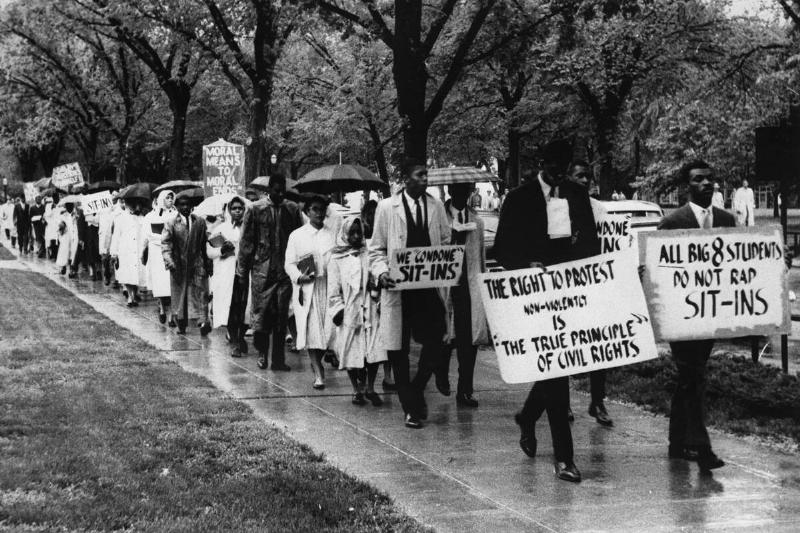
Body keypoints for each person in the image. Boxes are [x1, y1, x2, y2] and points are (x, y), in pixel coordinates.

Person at [493, 139, 600, 483]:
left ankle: (527, 416)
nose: (559, 175)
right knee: (556, 371)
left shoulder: (575, 195)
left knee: (559, 368)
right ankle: (564, 458)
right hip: (534, 295)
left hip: (569, 292)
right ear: (542, 162)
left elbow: (591, 244)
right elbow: (501, 251)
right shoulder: (519, 198)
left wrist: (581, 267)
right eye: (553, 168)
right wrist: (526, 264)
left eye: (564, 169)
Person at [659, 160, 734, 472]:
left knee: (689, 378)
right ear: (686, 186)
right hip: (681, 317)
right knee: (694, 376)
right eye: (698, 179)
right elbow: (659, 270)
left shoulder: (728, 220)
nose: (706, 184)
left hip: (711, 315)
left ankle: (676, 443)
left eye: (709, 179)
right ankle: (701, 448)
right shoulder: (673, 221)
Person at [369, 158, 451, 429]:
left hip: (427, 286)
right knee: (398, 348)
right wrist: (381, 273)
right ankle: (410, 406)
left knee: (438, 338)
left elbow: (446, 241)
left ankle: (417, 388)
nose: (425, 179)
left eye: (426, 175)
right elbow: (377, 249)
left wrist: (446, 265)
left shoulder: (436, 206)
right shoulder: (386, 208)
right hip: (398, 289)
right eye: (420, 174)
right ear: (406, 179)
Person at [563, 161, 613, 427]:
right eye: (579, 175)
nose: (584, 180)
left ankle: (597, 400)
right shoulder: (560, 208)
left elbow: (612, 245)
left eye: (588, 177)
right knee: (567, 343)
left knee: (598, 345)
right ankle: (565, 402)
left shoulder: (599, 210)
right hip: (568, 286)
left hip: (594, 284)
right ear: (569, 178)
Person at [237, 174, 303, 371]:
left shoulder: (292, 209)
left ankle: (278, 359)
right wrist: (242, 271)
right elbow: (246, 242)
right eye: (276, 190)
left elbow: (300, 239)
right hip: (261, 271)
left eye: (282, 190)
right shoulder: (255, 209)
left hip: (284, 271)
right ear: (269, 189)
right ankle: (262, 354)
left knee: (282, 316)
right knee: (261, 315)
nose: (280, 194)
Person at [436, 182, 488, 408]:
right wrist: (453, 234)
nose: (461, 195)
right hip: (446, 284)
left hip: (469, 285)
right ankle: (441, 374)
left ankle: (465, 389)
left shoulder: (476, 220)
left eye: (465, 190)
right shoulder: (439, 218)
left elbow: (481, 257)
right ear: (449, 191)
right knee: (445, 336)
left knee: (469, 341)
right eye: (457, 190)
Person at [329, 217, 386, 406]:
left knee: (374, 349)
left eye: (358, 233)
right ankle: (356, 389)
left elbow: (375, 275)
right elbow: (333, 289)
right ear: (344, 234)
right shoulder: (336, 258)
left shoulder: (367, 254)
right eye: (351, 233)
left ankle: (370, 387)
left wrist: (374, 284)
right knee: (351, 350)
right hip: (349, 311)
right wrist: (339, 310)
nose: (355, 236)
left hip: (368, 307)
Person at [285, 194, 336, 389]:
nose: (319, 213)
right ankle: (317, 370)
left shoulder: (332, 234)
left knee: (329, 330)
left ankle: (320, 359)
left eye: (322, 209)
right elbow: (289, 264)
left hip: (328, 287)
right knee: (312, 330)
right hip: (308, 288)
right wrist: (299, 276)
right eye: (315, 209)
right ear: (307, 212)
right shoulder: (297, 235)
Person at [162, 190, 212, 335]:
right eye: (181, 205)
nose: (185, 207)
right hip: (179, 264)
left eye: (187, 205)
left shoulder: (199, 222)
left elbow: (204, 243)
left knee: (201, 293)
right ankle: (181, 324)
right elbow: (166, 244)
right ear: (176, 206)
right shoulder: (171, 223)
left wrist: (208, 263)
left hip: (197, 263)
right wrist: (170, 262)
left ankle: (204, 322)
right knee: (180, 296)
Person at [207, 196, 250, 357]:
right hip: (227, 273)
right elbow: (210, 252)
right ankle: (235, 341)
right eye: (234, 208)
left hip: (245, 273)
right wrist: (222, 250)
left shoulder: (249, 228)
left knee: (244, 307)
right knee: (231, 308)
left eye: (240, 208)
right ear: (229, 210)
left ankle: (241, 335)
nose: (237, 211)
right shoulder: (221, 228)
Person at [362, 199, 395, 391]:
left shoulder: (386, 240)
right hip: (368, 295)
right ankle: (369, 381)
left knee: (388, 335)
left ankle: (388, 375)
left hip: (384, 290)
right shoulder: (362, 239)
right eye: (369, 215)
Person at [142, 190, 175, 325]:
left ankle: (172, 315)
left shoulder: (175, 214)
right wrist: (163, 238)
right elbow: (148, 235)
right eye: (167, 198)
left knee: (171, 283)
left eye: (172, 198)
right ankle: (162, 307)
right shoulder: (150, 216)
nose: (170, 200)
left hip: (171, 251)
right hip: (156, 253)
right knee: (160, 283)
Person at [111, 198, 146, 306]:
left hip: (138, 248)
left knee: (136, 274)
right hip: (125, 250)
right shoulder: (120, 218)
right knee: (127, 274)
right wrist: (114, 252)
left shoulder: (141, 218)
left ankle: (134, 293)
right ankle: (130, 297)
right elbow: (116, 236)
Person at [56, 201, 80, 274]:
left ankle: (73, 269)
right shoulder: (63, 215)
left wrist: (76, 217)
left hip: (75, 235)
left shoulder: (76, 214)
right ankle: (63, 266)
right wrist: (61, 226)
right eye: (67, 206)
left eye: (70, 206)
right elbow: (60, 226)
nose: (69, 207)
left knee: (74, 252)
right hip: (66, 236)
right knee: (65, 252)